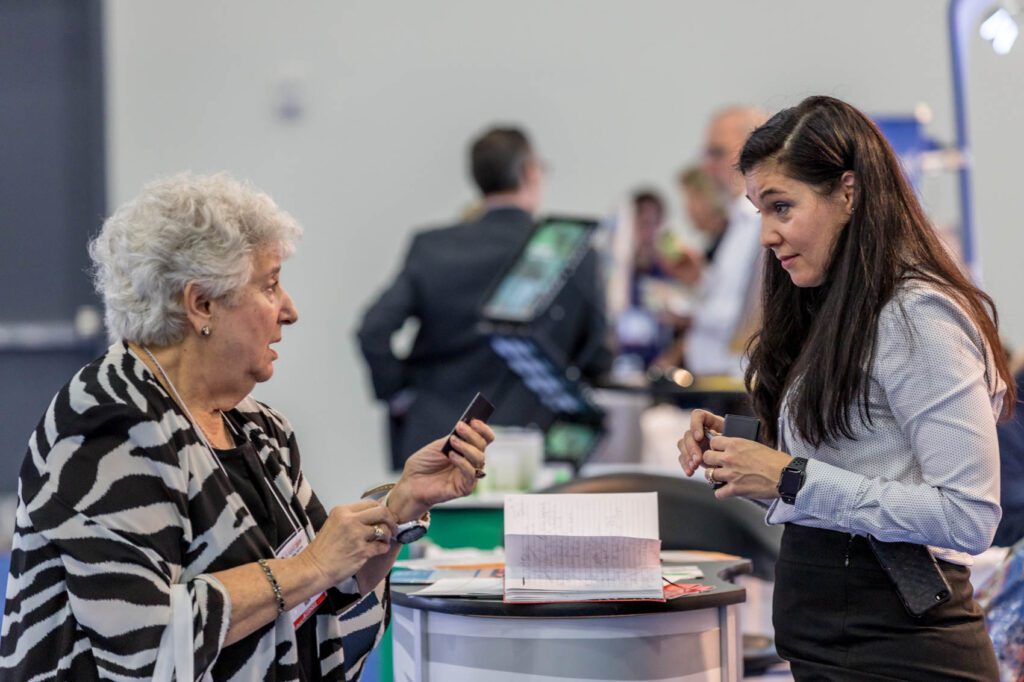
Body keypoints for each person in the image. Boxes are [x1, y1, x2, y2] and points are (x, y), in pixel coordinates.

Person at [0, 173, 494, 681]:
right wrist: (310, 567)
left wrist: (401, 507)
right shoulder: (108, 419)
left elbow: (327, 604)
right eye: (270, 284)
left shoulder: (258, 428)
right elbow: (147, 650)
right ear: (201, 304)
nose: (290, 310)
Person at [678, 96, 1015, 680]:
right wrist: (744, 460)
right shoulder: (832, 314)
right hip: (829, 645)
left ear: (849, 193)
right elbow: (846, 475)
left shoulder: (917, 316)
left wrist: (788, 475)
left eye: (782, 207)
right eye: (759, 210)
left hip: (903, 655)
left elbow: (968, 515)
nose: (766, 235)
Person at [357, 126, 609, 469]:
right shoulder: (570, 253)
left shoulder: (432, 247)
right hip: (534, 448)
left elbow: (373, 330)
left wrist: (400, 395)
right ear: (529, 172)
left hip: (438, 444)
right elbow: (597, 356)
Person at [682, 105, 767, 377]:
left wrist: (690, 313)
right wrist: (700, 283)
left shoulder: (761, 222)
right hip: (717, 381)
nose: (707, 166)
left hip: (739, 384)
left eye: (716, 153)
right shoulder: (737, 222)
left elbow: (751, 319)